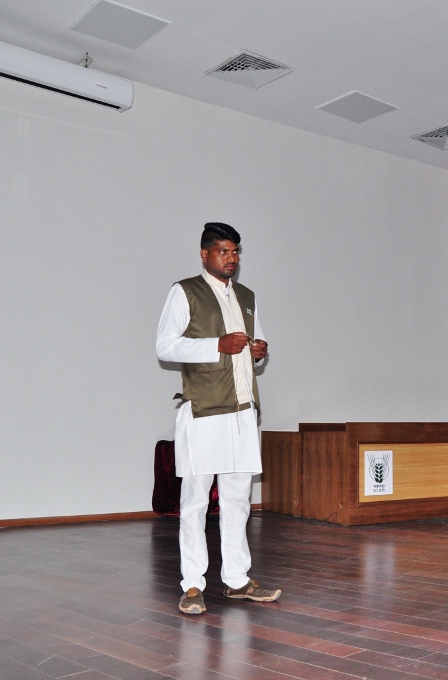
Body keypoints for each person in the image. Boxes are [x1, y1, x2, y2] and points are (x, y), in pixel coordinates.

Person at [155, 222, 280, 614]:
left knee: (238, 500)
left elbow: (254, 348)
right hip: (204, 411)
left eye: (235, 251)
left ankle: (237, 580)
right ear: (204, 254)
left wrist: (258, 353)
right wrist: (217, 345)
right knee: (195, 502)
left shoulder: (246, 297)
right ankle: (192, 584)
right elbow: (165, 346)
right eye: (224, 251)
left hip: (242, 412)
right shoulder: (184, 291)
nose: (232, 259)